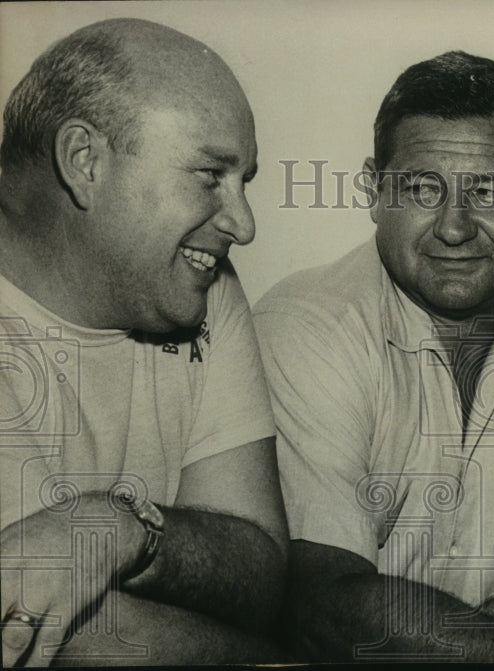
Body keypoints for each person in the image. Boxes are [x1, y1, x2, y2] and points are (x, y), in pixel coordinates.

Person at [253, 51, 494, 662]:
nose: (455, 227)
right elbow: (325, 607)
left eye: (489, 190)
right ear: (373, 191)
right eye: (421, 188)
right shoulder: (308, 324)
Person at [0, 19, 288, 666]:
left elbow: (262, 572)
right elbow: (50, 635)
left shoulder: (197, 281)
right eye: (211, 175)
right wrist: (265, 653)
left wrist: (121, 527)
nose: (242, 224)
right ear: (85, 162)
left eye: (246, 182)